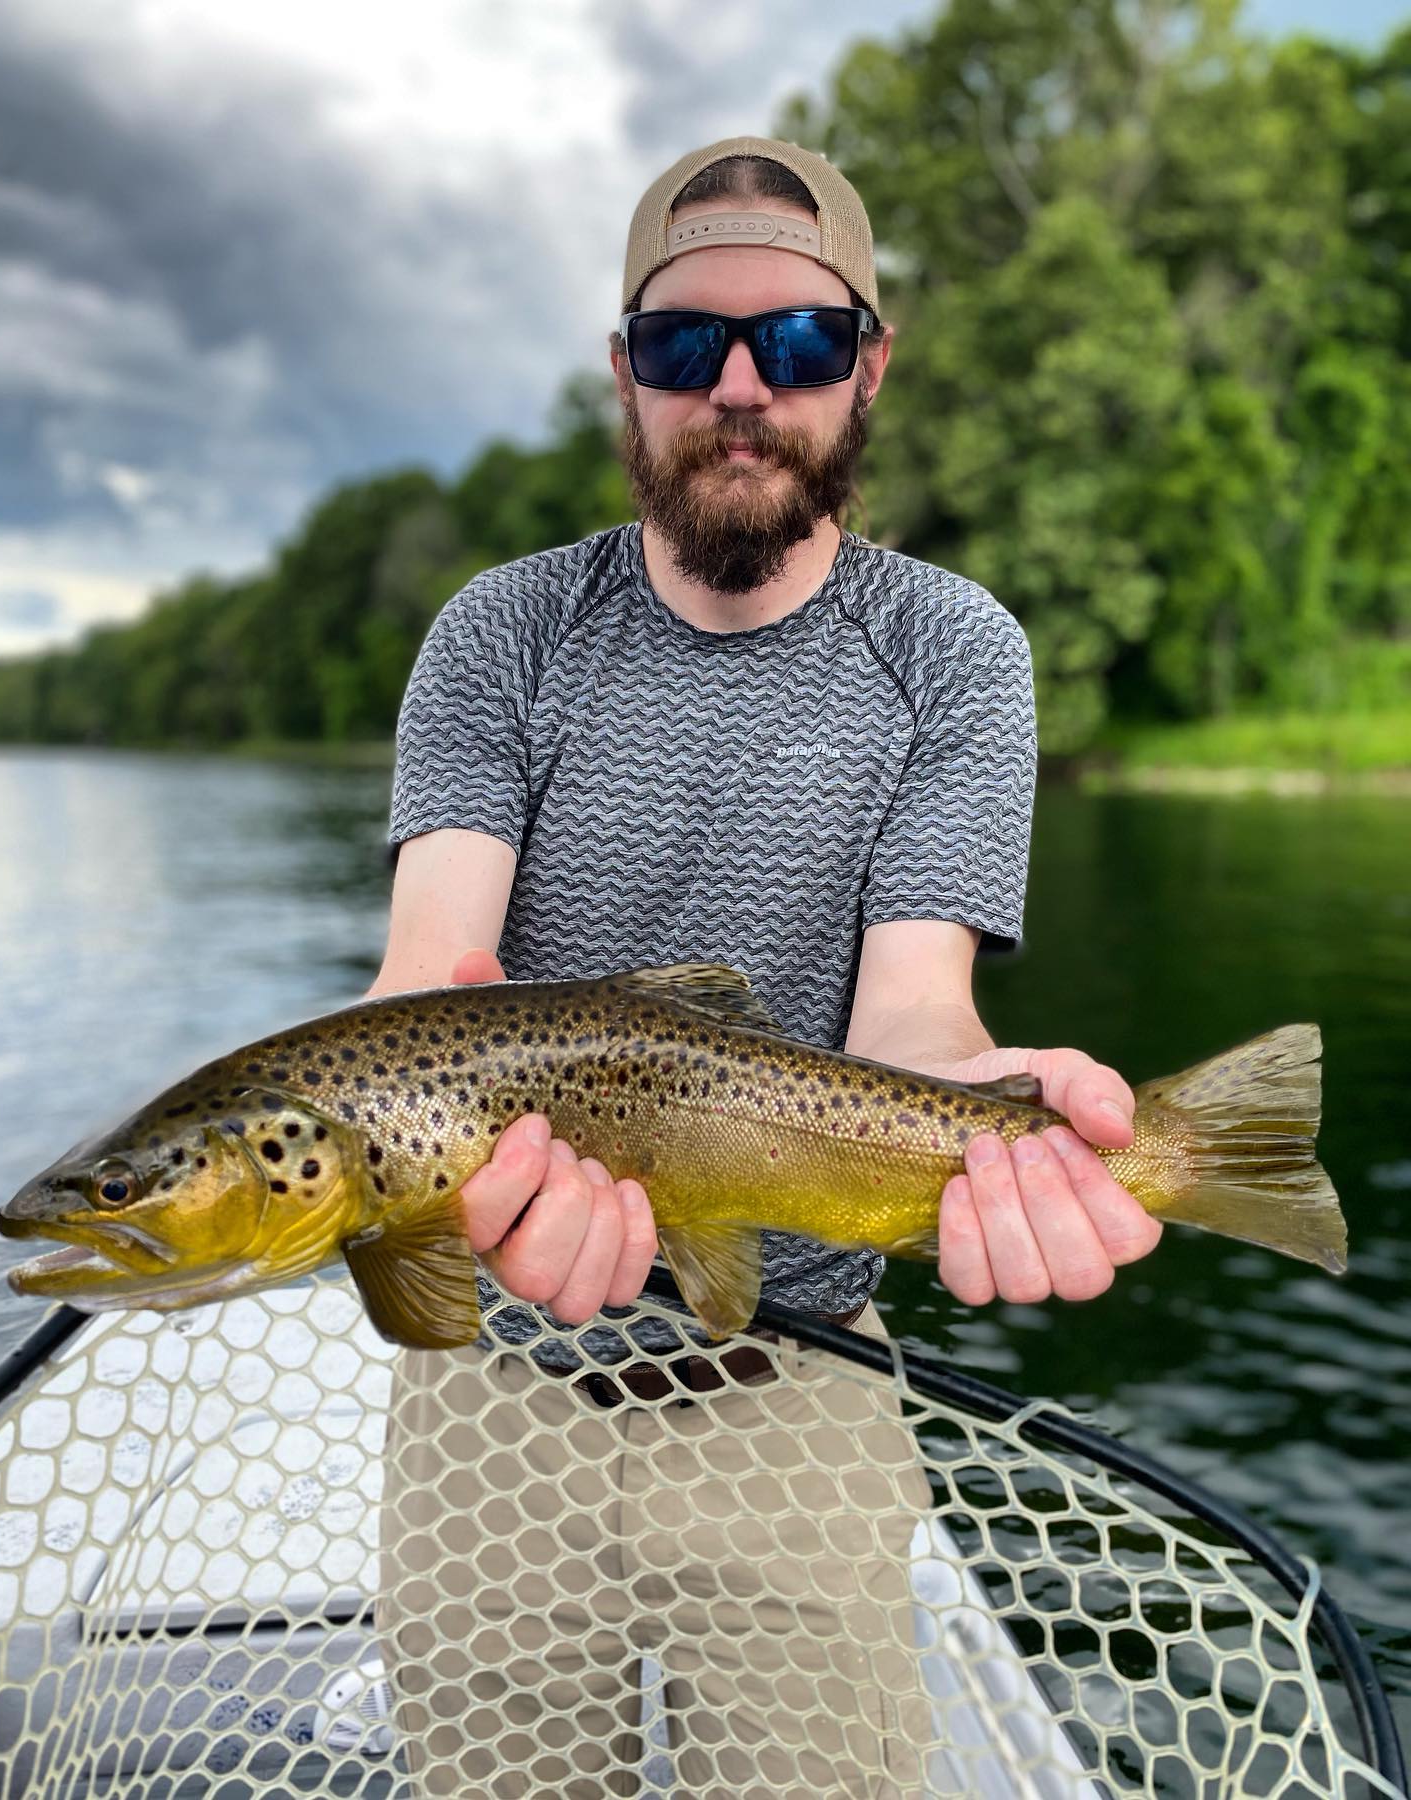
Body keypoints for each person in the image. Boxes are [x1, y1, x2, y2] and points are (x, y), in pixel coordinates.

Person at [370, 135, 1162, 1799]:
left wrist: (979, 1113)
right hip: (491, 1399)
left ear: (866, 365)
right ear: (625, 376)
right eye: (684, 345)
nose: (740, 386)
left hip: (798, 1385)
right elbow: (428, 984)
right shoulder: (501, 630)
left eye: (795, 342)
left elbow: (917, 1022)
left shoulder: (954, 649)